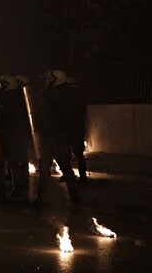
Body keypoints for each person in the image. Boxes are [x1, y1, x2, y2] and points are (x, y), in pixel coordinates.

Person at [32, 69, 79, 206]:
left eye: (48, 80)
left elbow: (45, 115)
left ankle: (41, 198)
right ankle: (75, 197)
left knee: (44, 168)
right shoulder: (69, 95)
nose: (46, 83)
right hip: (63, 136)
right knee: (66, 167)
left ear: (54, 81)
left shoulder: (53, 96)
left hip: (52, 136)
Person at [67, 77, 88, 183]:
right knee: (79, 154)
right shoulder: (81, 98)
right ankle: (83, 177)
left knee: (65, 154)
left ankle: (68, 175)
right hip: (78, 129)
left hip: (69, 129)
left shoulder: (68, 98)